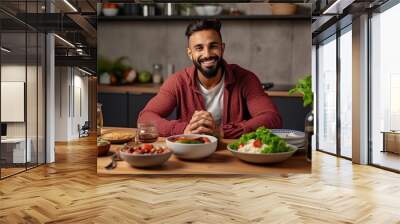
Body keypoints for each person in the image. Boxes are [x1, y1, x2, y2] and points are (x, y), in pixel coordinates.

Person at [138, 19, 282, 139]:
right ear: (190, 53)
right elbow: (145, 117)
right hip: (191, 154)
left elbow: (272, 118)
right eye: (199, 48)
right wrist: (184, 129)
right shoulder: (178, 81)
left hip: (235, 155)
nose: (207, 54)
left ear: (222, 48)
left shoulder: (245, 78)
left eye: (213, 46)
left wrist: (222, 132)